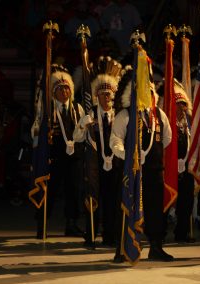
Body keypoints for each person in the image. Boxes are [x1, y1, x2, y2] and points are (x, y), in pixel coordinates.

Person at [110, 84, 174, 261]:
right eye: (145, 92)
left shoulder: (160, 115)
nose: (149, 96)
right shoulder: (125, 115)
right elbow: (115, 140)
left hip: (154, 172)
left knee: (155, 210)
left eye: (151, 93)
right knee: (126, 208)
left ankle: (156, 246)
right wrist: (127, 156)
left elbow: (167, 139)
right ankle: (121, 248)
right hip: (131, 172)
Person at [73, 56, 123, 248]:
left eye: (109, 94)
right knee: (93, 199)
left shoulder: (118, 114)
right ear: (96, 96)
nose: (106, 98)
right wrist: (82, 126)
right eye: (102, 95)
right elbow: (77, 137)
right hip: (94, 164)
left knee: (112, 201)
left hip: (114, 164)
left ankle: (110, 235)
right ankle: (91, 235)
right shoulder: (90, 114)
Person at [31, 64, 85, 238]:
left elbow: (83, 132)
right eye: (60, 89)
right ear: (53, 92)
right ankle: (42, 223)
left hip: (73, 157)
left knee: (73, 191)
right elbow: (36, 130)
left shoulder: (78, 108)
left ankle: (71, 224)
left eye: (67, 88)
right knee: (50, 191)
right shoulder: (47, 110)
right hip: (53, 157)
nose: (64, 92)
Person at [172, 79, 195, 243]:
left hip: (187, 169)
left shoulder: (190, 123)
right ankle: (158, 236)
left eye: (183, 104)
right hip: (170, 168)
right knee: (166, 200)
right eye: (178, 104)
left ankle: (182, 232)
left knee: (186, 202)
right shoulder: (166, 122)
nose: (181, 107)